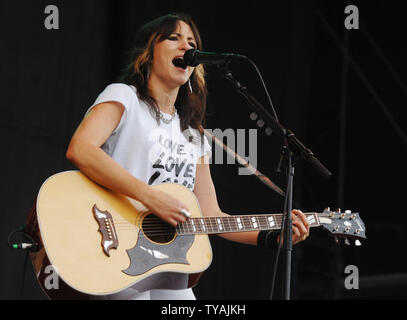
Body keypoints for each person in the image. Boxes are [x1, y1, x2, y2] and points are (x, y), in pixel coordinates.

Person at [66, 13, 310, 300]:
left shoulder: (194, 135)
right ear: (147, 54)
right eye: (173, 38)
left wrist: (273, 237)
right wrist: (149, 196)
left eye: (192, 42)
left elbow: (211, 216)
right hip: (113, 242)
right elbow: (81, 149)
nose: (186, 47)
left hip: (163, 260)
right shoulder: (124, 97)